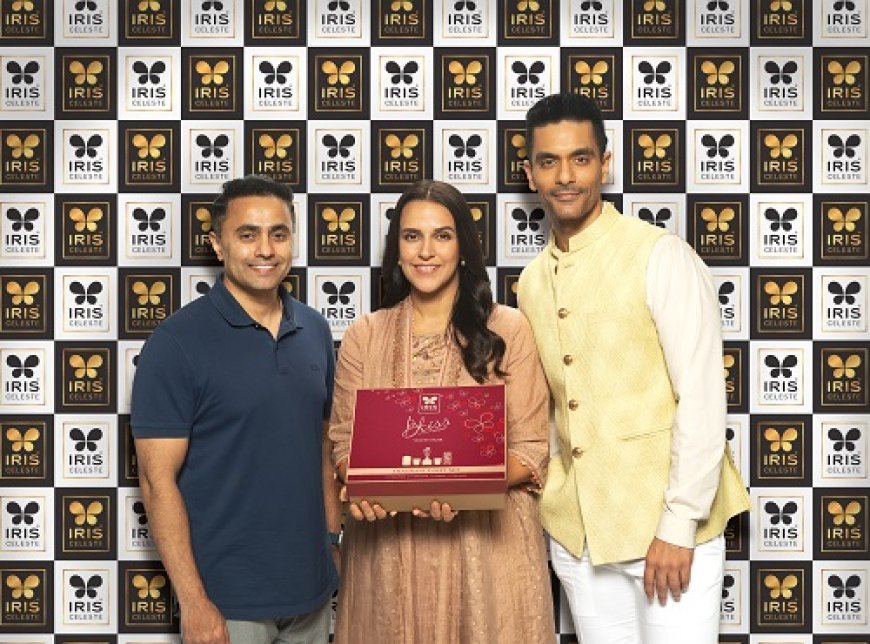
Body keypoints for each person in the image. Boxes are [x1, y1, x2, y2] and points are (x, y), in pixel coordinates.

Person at [517, 93, 751, 644]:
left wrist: (679, 523)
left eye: (580, 158)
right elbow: (548, 409)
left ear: (604, 163)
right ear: (531, 174)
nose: (565, 176)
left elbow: (701, 396)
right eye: (549, 162)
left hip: (667, 533)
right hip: (581, 541)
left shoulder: (659, 254)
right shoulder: (530, 281)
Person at [328, 179, 554, 644]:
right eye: (412, 236)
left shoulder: (508, 328)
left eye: (442, 236)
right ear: (396, 250)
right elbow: (344, 444)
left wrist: (457, 485)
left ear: (464, 248)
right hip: (388, 553)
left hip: (486, 555)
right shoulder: (364, 335)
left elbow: (531, 449)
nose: (426, 251)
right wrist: (365, 485)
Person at [131, 175, 340, 644]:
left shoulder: (315, 330)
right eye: (248, 234)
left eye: (278, 234)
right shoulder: (176, 342)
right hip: (226, 602)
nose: (265, 249)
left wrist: (332, 544)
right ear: (217, 244)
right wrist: (194, 601)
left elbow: (323, 451)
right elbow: (156, 480)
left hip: (311, 592)